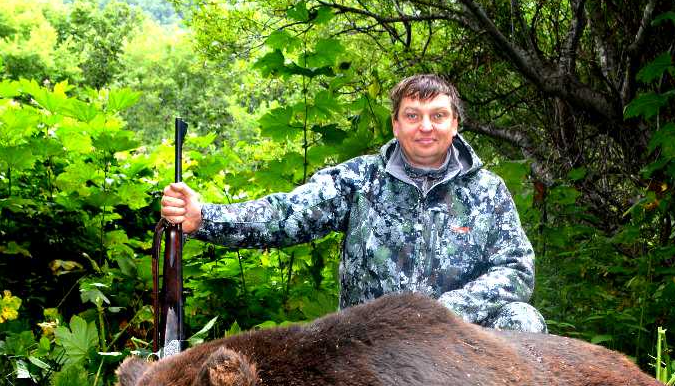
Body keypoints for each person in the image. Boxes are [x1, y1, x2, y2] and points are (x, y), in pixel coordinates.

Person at [160, 74, 546, 332]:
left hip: (459, 344)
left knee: (522, 321)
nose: (425, 127)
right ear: (395, 125)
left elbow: (516, 268)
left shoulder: (488, 191)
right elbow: (287, 214)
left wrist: (445, 313)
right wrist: (205, 217)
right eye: (413, 115)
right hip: (370, 345)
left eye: (437, 116)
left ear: (455, 123)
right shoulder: (360, 179)